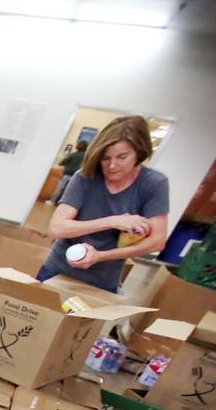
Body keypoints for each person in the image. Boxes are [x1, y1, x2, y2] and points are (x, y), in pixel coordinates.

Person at [37, 115, 169, 293]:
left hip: (103, 280)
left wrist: (100, 256)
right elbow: (56, 228)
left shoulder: (153, 184)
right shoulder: (85, 177)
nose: (112, 166)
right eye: (105, 158)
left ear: (139, 153)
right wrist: (112, 221)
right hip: (56, 270)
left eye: (122, 157)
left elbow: (157, 242)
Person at [48, 139, 88, 204]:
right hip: (78, 176)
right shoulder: (86, 157)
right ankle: (63, 203)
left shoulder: (72, 154)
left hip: (67, 174)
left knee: (60, 188)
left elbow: (62, 163)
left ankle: (52, 201)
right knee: (70, 191)